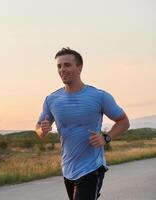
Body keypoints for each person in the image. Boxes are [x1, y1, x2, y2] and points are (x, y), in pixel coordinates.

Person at [35, 47, 130, 200]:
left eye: (67, 65)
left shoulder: (99, 96)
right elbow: (38, 129)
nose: (62, 70)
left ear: (79, 68)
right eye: (59, 66)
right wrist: (42, 130)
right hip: (68, 168)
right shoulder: (51, 100)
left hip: (92, 167)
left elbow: (124, 122)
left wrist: (106, 138)